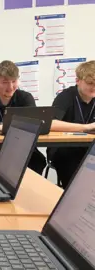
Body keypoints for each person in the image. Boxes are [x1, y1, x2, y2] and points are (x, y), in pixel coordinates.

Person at [48, 60, 95, 188]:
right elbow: (51, 123)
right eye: (90, 83)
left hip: (88, 149)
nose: (94, 87)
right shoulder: (66, 97)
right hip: (64, 149)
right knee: (76, 177)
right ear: (78, 81)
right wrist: (86, 127)